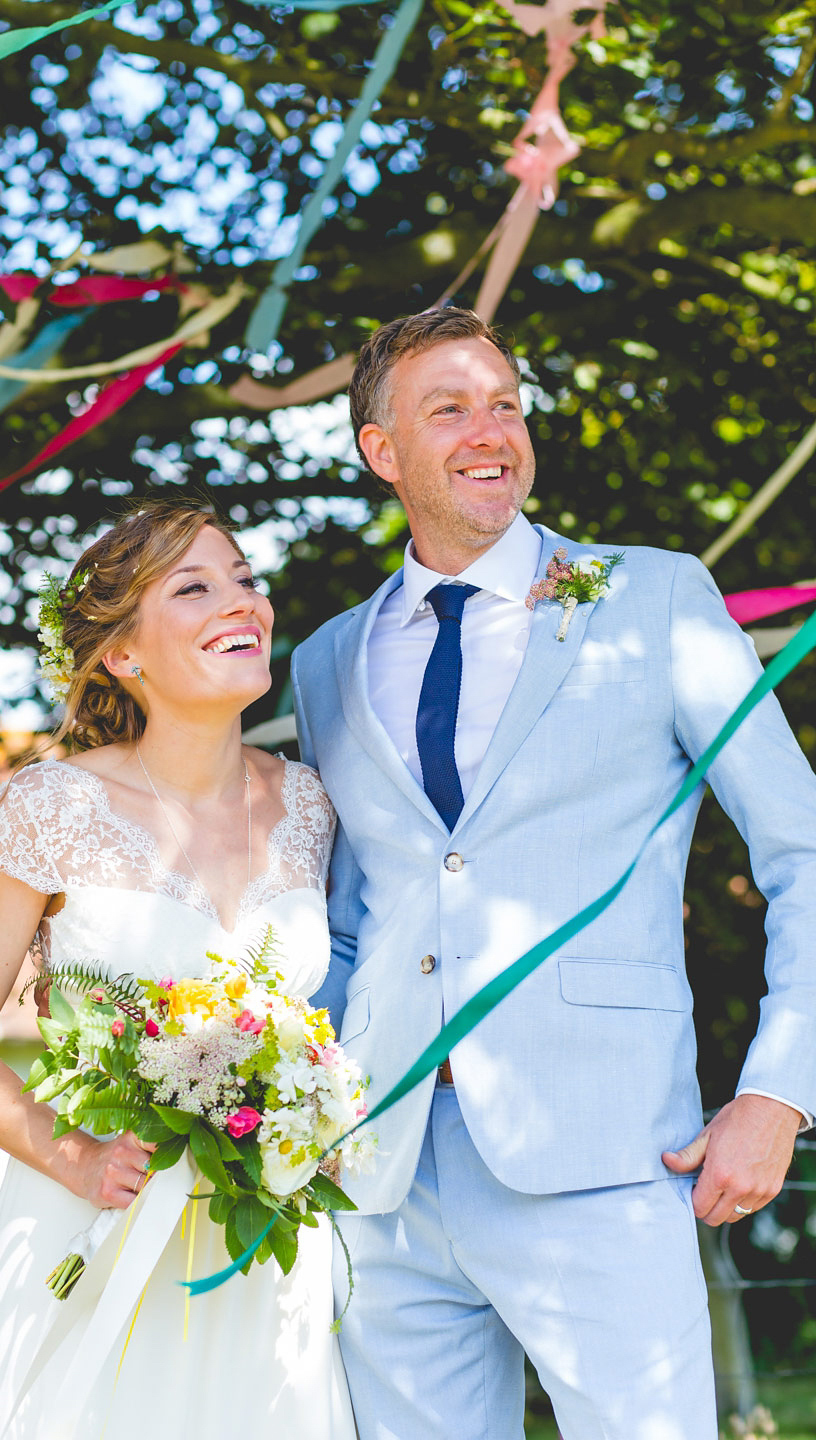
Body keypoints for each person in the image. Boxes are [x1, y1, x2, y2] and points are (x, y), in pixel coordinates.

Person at [292, 308, 816, 1440]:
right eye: (450, 409)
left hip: (605, 1154)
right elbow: (351, 917)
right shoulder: (326, 656)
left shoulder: (657, 596)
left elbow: (801, 851)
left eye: (507, 403)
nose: (492, 432)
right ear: (381, 451)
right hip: (380, 1173)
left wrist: (778, 1089)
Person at [0, 501, 356, 1440]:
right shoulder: (51, 803)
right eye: (194, 587)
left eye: (244, 577)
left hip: (264, 1239)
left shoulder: (312, 803)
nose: (241, 601)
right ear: (122, 654)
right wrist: (71, 1156)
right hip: (96, 1224)